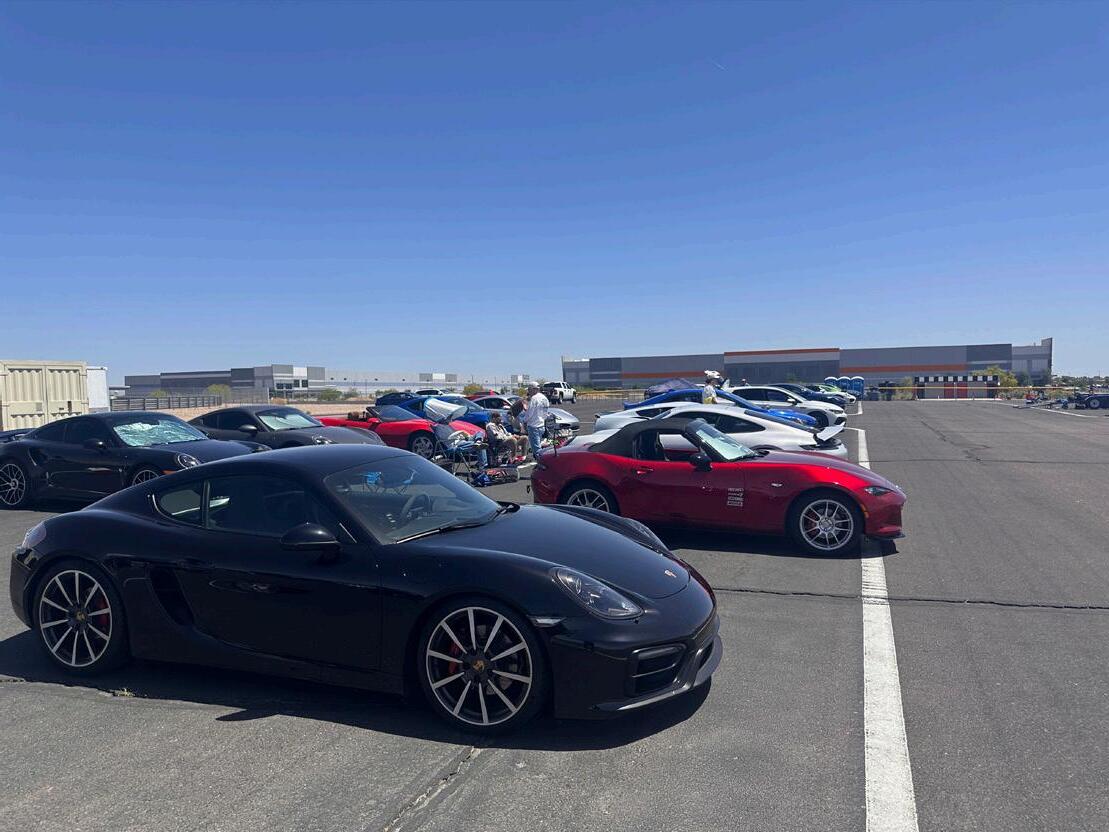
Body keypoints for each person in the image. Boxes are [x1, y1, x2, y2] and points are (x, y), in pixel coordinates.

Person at [523, 384, 550, 459]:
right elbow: (545, 412)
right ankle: (543, 460)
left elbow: (530, 413)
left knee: (536, 449)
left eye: (529, 389)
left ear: (534, 389)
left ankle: (541, 462)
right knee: (540, 446)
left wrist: (524, 421)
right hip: (541, 425)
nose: (528, 391)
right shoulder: (544, 398)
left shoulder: (534, 398)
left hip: (533, 426)